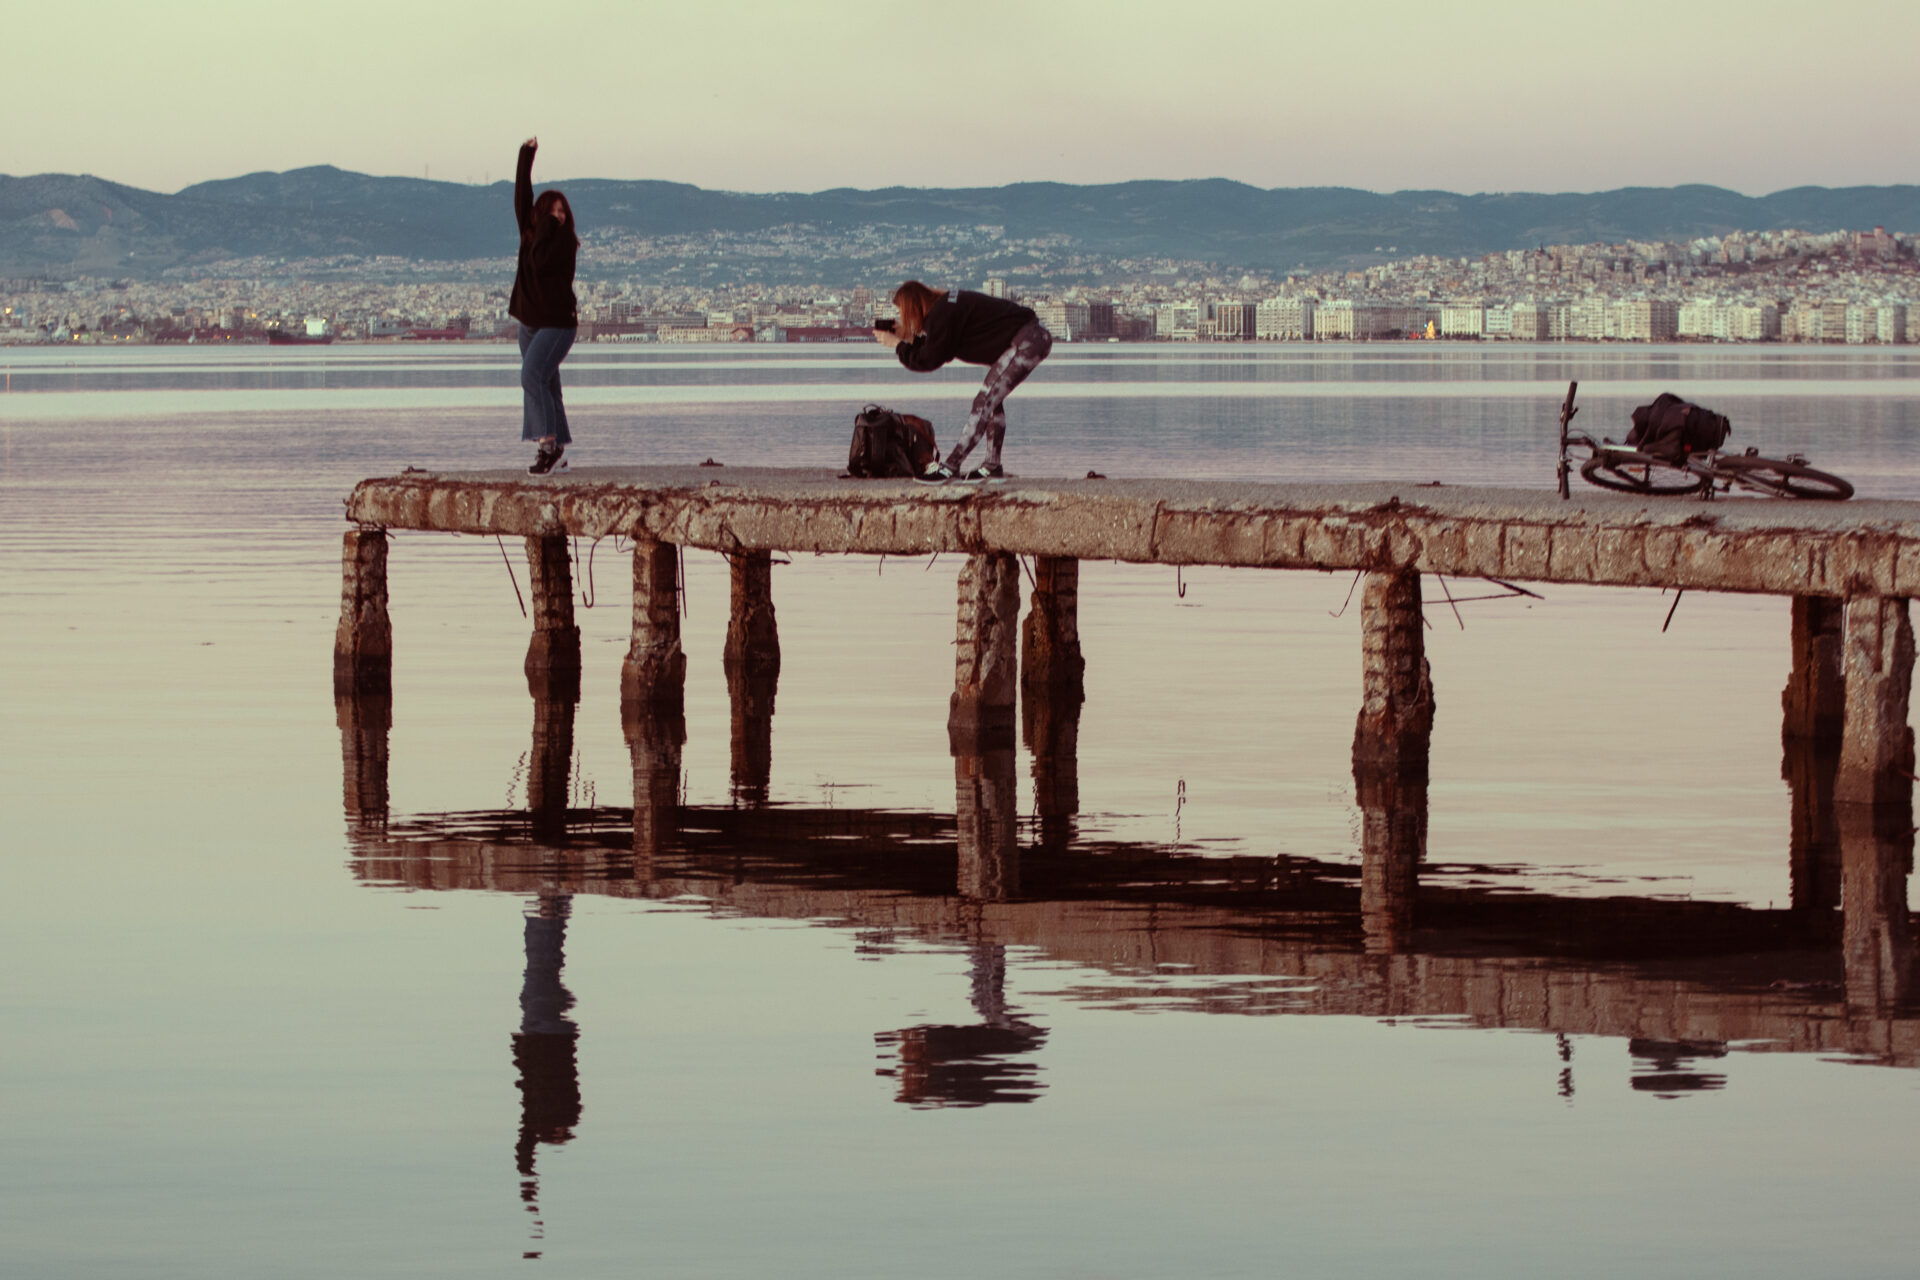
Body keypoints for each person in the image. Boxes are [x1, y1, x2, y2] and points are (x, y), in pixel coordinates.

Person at [875, 282, 1052, 482]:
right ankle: (992, 466)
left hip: (1028, 340)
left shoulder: (943, 314)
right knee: (991, 402)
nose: (903, 318)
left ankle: (950, 467)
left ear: (913, 307)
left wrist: (898, 345)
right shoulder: (947, 307)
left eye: (903, 312)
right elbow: (937, 347)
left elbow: (929, 359)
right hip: (1033, 336)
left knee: (984, 402)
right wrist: (906, 339)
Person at [510, 136, 579, 475]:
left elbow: (542, 262)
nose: (558, 216)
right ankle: (560, 448)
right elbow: (521, 194)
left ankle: (547, 447)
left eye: (562, 211)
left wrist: (549, 225)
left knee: (532, 375)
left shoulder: (564, 245)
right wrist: (527, 155)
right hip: (530, 322)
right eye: (552, 211)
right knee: (547, 382)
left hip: (558, 323)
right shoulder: (528, 233)